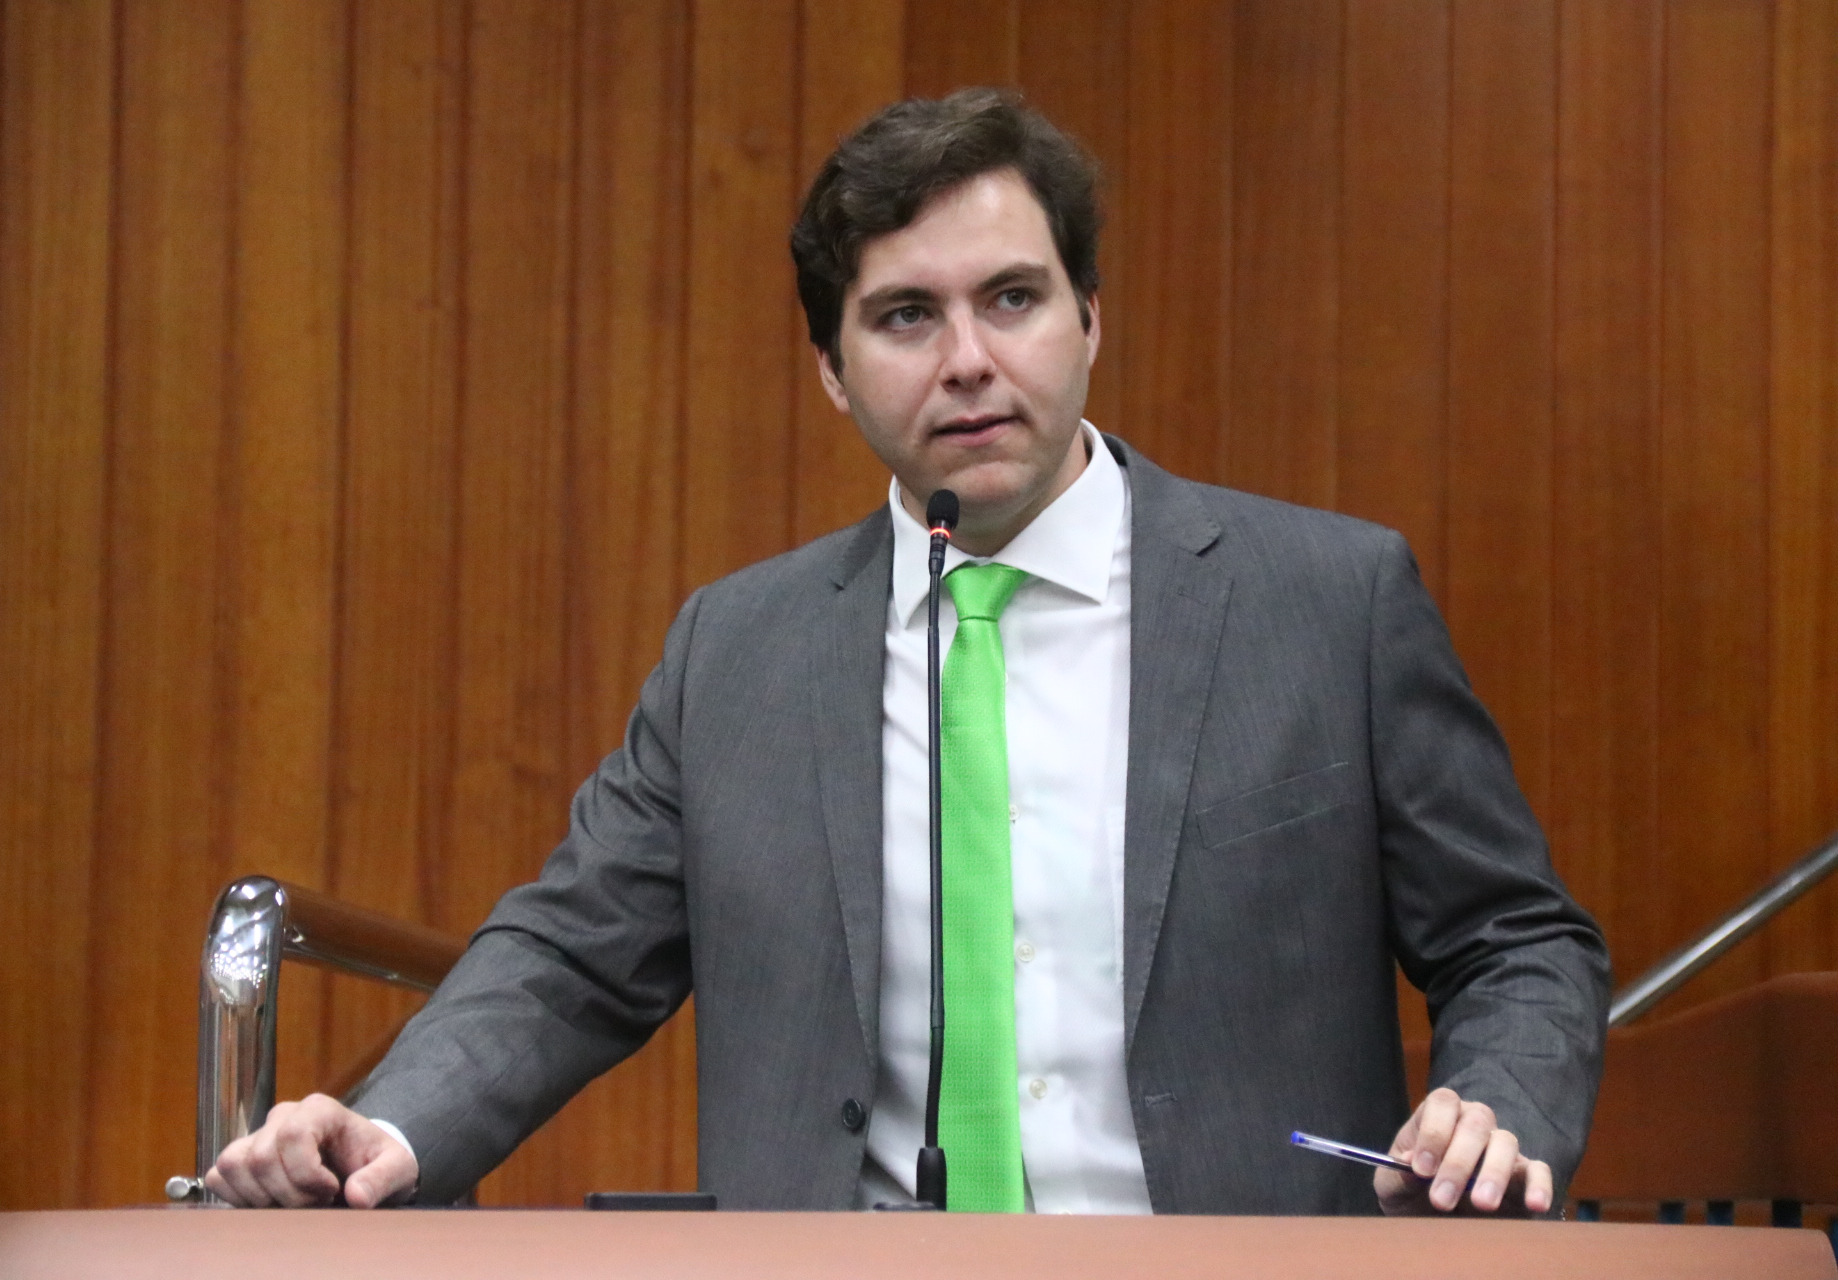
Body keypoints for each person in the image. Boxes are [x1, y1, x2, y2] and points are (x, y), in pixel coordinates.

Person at [206, 88, 1608, 1216]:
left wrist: (1498, 1107)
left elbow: (1516, 939)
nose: (969, 361)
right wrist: (392, 1129)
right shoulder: (735, 653)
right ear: (832, 370)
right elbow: (572, 956)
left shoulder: (1327, 602)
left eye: (1014, 298)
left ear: (1092, 316)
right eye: (905, 317)